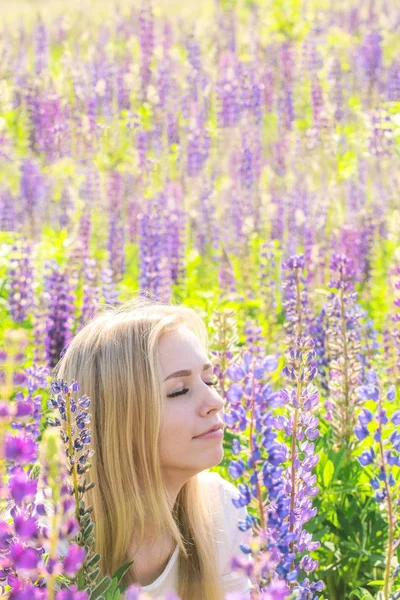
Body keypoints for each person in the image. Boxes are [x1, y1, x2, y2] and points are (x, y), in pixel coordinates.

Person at [48, 296, 253, 599]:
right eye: (179, 391)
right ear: (120, 419)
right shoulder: (50, 542)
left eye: (209, 381)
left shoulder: (222, 508)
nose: (215, 402)